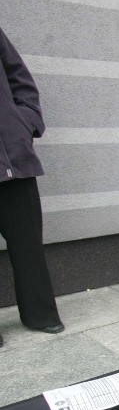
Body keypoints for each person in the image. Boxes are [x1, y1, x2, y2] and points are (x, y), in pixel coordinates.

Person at [0, 26, 64, 346]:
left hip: (12, 159)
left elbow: (19, 78)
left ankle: (40, 314)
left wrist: (26, 122)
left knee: (28, 245)